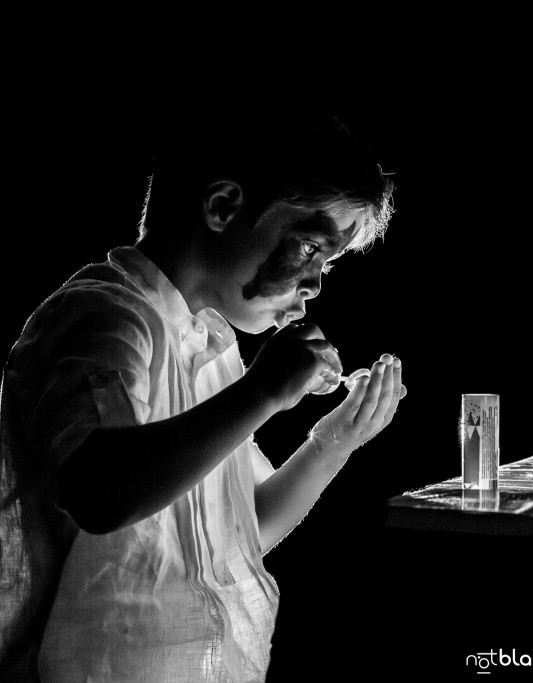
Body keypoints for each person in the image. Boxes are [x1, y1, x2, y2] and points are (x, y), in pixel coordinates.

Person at [0, 104, 404, 681]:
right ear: (222, 207)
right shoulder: (105, 319)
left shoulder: (211, 342)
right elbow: (101, 494)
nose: (314, 283)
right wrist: (262, 393)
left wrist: (334, 442)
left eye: (328, 265)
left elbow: (249, 525)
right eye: (311, 248)